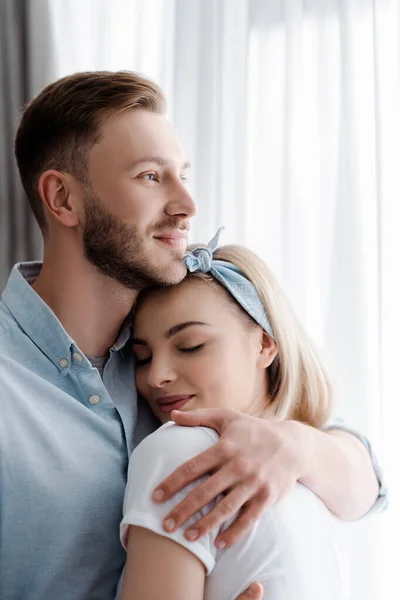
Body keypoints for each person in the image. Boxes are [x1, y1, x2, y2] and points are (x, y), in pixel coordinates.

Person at [0, 71, 385, 600]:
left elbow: (367, 484)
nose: (187, 204)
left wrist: (294, 445)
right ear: (63, 198)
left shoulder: (175, 356)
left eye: (183, 174)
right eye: (151, 177)